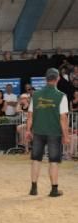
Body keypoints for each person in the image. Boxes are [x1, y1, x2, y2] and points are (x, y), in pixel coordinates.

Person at [25, 68, 70, 197]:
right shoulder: (61, 96)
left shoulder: (36, 95)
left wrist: (28, 130)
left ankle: (33, 188)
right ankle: (54, 190)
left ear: (46, 79)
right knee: (54, 161)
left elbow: (30, 116)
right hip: (54, 133)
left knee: (35, 160)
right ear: (58, 79)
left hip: (38, 132)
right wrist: (66, 136)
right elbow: (63, 119)